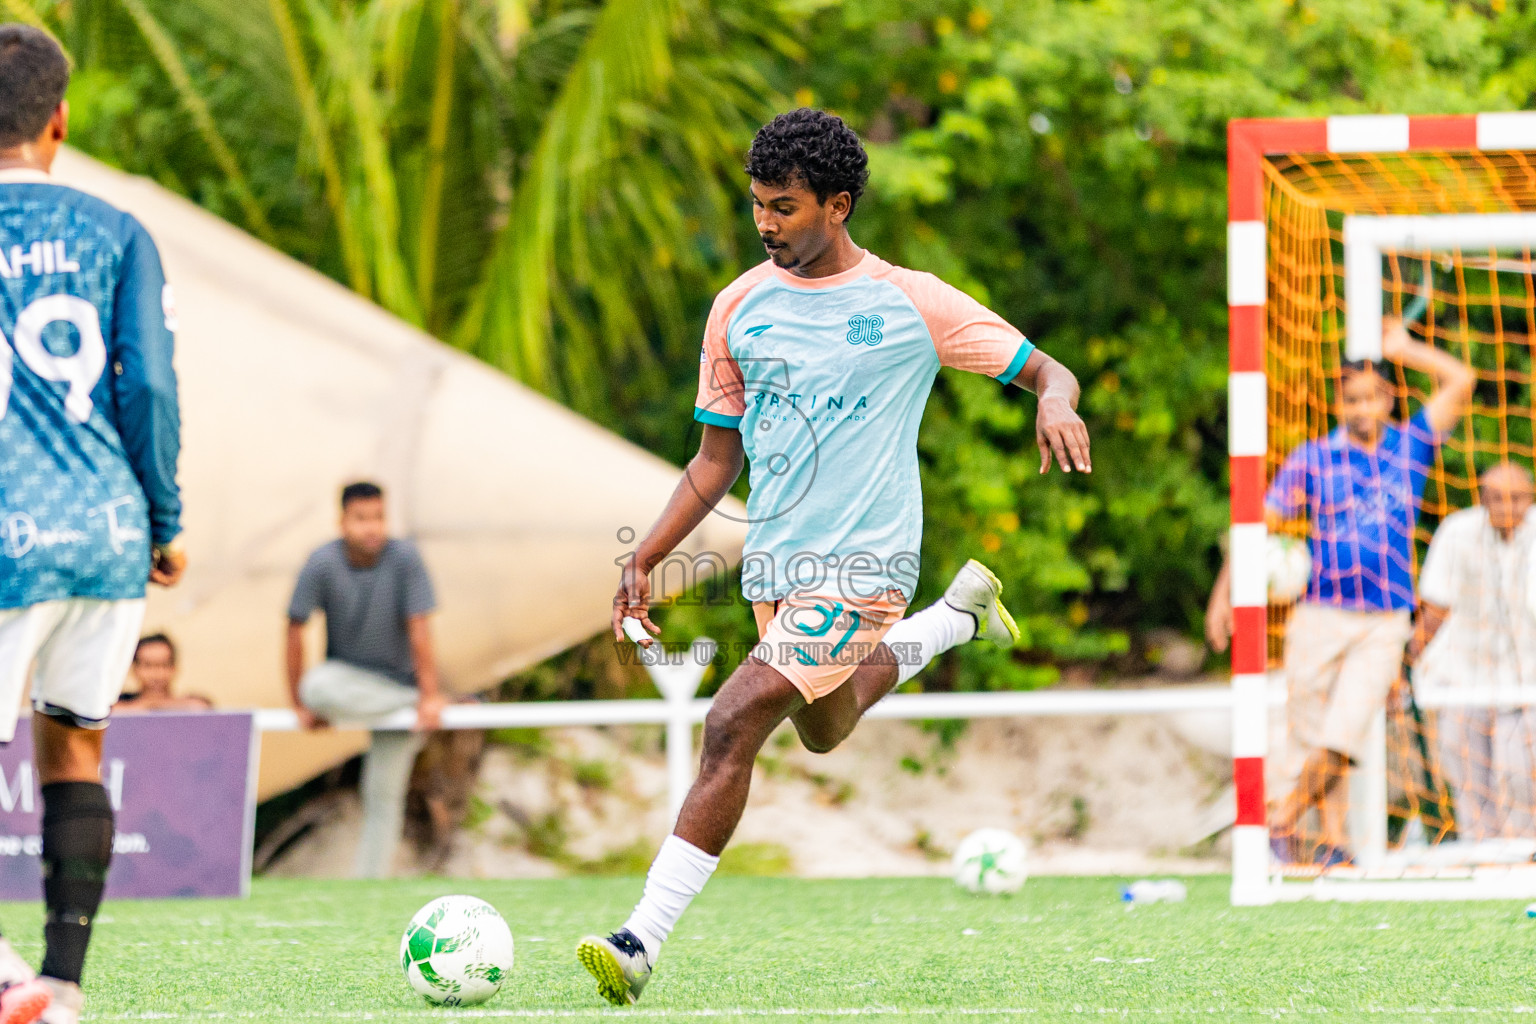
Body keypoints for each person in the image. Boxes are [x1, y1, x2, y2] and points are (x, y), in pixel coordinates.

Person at [577, 108, 1091, 1006]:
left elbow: (1046, 368)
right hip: (778, 568)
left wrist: (1056, 401)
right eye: (757, 207)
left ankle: (640, 941)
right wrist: (647, 558)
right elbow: (714, 460)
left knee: (732, 720)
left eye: (784, 207)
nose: (766, 224)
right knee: (825, 726)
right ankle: (952, 621)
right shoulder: (738, 307)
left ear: (838, 205)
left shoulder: (913, 302)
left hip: (867, 565)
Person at [0, 24, 186, 1024]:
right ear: (59, 119)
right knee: (73, 750)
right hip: (106, 526)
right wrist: (161, 518)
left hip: (2, 532)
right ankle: (60, 985)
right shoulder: (118, 231)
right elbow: (149, 385)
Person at [1206, 319, 1474, 866]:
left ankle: (1278, 821)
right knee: (1307, 732)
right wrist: (1223, 595)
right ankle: (1333, 841)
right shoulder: (1314, 458)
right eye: (1351, 399)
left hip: (1385, 618)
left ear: (1389, 400)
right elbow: (1259, 525)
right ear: (1338, 403)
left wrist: (1406, 349)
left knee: (1345, 729)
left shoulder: (1413, 445)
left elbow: (1462, 378)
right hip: (1321, 610)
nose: (1361, 409)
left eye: (1371, 398)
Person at [285, 481, 443, 879]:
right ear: (343, 521)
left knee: (384, 795)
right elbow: (293, 627)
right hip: (349, 683)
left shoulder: (405, 557)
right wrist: (300, 706)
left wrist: (427, 694)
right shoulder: (321, 562)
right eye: (362, 518)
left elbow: (420, 629)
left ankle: (369, 886)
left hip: (399, 688)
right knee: (316, 687)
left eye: (379, 517)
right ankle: (412, 705)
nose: (372, 527)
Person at [1410, 463, 1536, 839]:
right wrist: (1405, 664)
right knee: (1466, 778)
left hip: (1526, 683)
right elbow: (1434, 608)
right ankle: (1480, 854)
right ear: (1482, 499)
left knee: (1518, 777)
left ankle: (1522, 857)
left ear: (1530, 499)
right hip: (1462, 677)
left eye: (1516, 498)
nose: (1507, 507)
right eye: (1496, 498)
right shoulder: (1456, 532)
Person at [112, 634, 211, 714]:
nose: (157, 674)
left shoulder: (194, 706)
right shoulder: (117, 705)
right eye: (148, 666)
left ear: (174, 668)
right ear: (134, 669)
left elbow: (200, 707)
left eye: (164, 665)